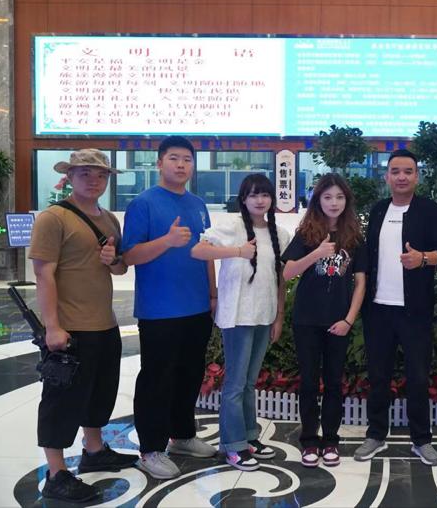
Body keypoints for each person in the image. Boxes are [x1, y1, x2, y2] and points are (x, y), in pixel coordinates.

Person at [30, 149, 137, 502]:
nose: (94, 180)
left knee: (100, 392)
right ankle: (57, 473)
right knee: (61, 401)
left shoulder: (109, 220)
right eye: (85, 174)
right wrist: (52, 326)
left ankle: (94, 450)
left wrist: (113, 259)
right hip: (70, 327)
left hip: (104, 323)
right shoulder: (53, 218)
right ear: (70, 177)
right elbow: (43, 274)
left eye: (101, 175)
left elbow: (119, 268)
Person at [122, 136, 218, 479]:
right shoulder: (143, 204)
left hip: (197, 306)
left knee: (190, 375)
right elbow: (129, 256)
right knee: (156, 379)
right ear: (159, 163)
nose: (181, 165)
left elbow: (206, 252)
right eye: (174, 158)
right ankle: (150, 450)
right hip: (160, 309)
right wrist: (166, 240)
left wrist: (212, 295)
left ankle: (183, 436)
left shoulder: (198, 204)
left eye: (187, 160)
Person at [353, 149, 437, 466]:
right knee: (378, 376)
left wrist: (423, 258)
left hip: (415, 311)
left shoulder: (428, 210)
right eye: (395, 171)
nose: (401, 177)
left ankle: (421, 439)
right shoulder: (379, 210)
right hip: (378, 309)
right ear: (387, 176)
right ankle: (376, 434)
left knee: (418, 377)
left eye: (408, 171)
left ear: (417, 176)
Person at [191, 173, 290, 471]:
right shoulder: (232, 226)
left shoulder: (279, 233)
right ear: (243, 199)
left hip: (264, 315)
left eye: (265, 194)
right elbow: (198, 250)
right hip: (237, 316)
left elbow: (280, 278)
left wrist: (279, 316)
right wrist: (237, 252)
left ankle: (249, 436)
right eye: (253, 194)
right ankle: (233, 446)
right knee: (235, 384)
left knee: (249, 382)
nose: (260, 200)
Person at [282, 173, 367, 468]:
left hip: (338, 322)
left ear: (347, 201)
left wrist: (349, 320)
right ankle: (309, 440)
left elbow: (360, 283)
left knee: (333, 382)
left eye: (339, 197)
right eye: (328, 197)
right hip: (306, 320)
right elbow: (287, 272)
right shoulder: (307, 233)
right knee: (308, 382)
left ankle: (331, 440)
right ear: (318, 200)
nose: (334, 203)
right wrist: (316, 253)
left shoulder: (354, 237)